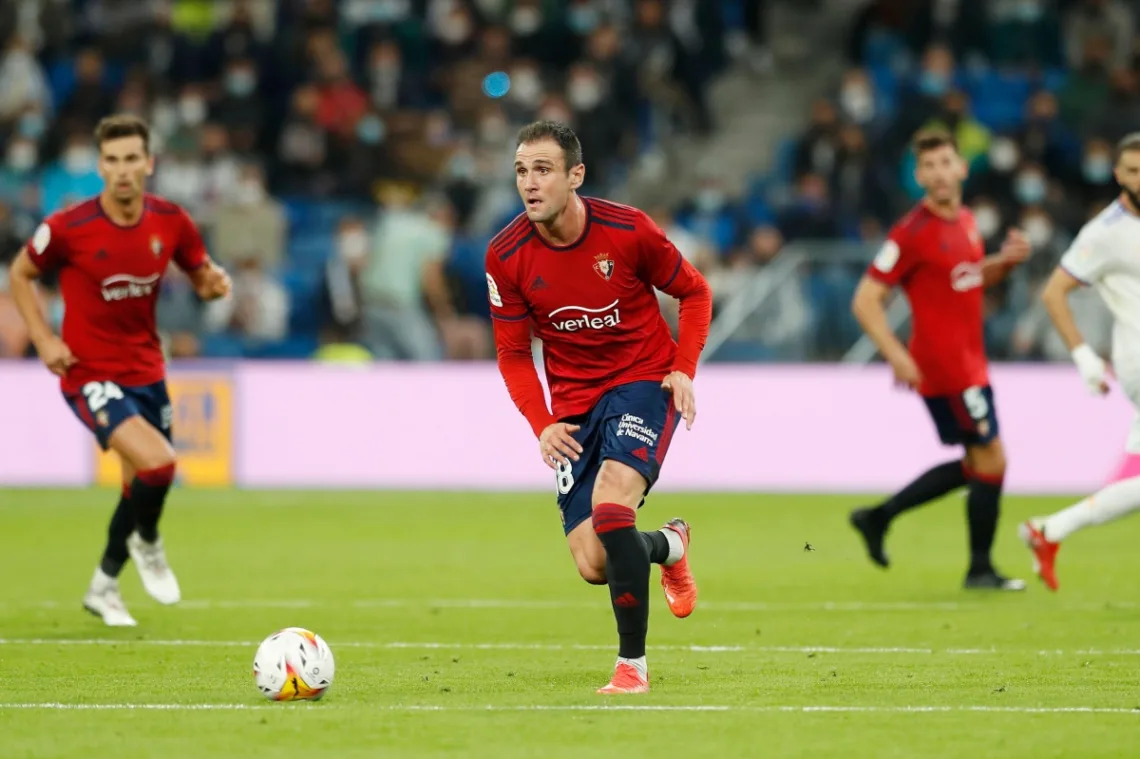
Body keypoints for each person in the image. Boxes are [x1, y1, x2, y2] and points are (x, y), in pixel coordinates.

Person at [485, 120, 713, 694]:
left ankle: (631, 666)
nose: (530, 183)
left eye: (543, 169)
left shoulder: (628, 230)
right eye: (521, 171)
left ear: (575, 175)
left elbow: (694, 292)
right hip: (574, 406)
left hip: (641, 381)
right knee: (593, 562)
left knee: (613, 504)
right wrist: (542, 425)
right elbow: (513, 355)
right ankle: (670, 545)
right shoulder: (506, 255)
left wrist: (682, 368)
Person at [6, 115, 231, 627]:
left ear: (148, 164)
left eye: (133, 159)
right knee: (159, 464)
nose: (123, 170)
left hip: (147, 370)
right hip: (87, 372)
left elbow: (200, 274)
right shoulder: (69, 227)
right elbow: (21, 273)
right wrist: (43, 338)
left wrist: (213, 284)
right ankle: (149, 543)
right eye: (113, 160)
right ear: (100, 166)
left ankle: (104, 586)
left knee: (139, 485)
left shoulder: (171, 220)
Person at [847, 128, 1031, 590]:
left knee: (981, 461)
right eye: (928, 166)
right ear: (918, 175)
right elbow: (866, 300)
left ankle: (879, 517)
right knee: (991, 458)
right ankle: (980, 568)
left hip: (971, 361)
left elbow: (966, 278)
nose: (939, 173)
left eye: (946, 162)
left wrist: (1004, 263)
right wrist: (896, 355)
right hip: (945, 367)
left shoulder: (966, 220)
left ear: (962, 167)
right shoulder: (911, 233)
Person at [1021, 133, 1140, 591]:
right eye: (1130, 169)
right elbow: (1054, 291)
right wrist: (1084, 355)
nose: (1138, 177)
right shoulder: (1104, 233)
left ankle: (1049, 530)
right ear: (1117, 175)